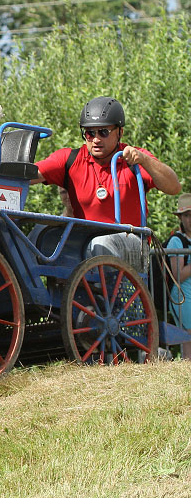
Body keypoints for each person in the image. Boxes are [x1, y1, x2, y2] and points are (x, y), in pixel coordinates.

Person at [33, 96, 181, 267]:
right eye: (89, 133)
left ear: (120, 132)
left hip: (131, 242)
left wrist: (145, 161)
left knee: (101, 244)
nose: (96, 139)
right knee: (38, 235)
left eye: (103, 132)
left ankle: (104, 292)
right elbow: (29, 174)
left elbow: (174, 187)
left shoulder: (133, 158)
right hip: (85, 241)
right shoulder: (70, 159)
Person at [167, 193, 191, 358]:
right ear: (181, 218)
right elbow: (178, 275)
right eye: (187, 215)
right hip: (183, 298)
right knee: (188, 339)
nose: (190, 219)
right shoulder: (176, 241)